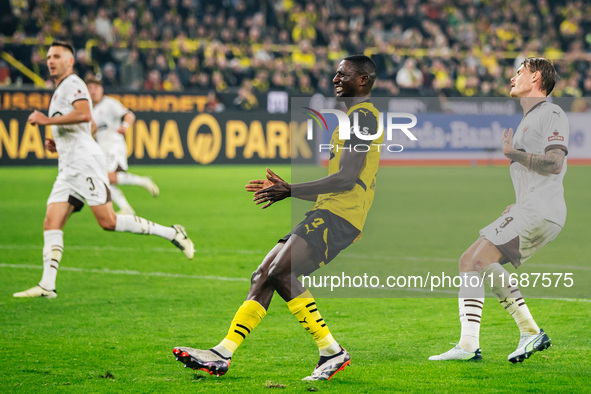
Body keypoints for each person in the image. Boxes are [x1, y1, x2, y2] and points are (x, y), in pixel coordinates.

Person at [173, 55, 382, 380]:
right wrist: (285, 188)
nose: (335, 79)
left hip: (340, 217)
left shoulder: (364, 118)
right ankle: (222, 353)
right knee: (263, 275)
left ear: (363, 80)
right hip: (328, 211)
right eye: (336, 74)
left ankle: (331, 350)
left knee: (280, 272)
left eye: (343, 74)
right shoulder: (353, 119)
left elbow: (346, 179)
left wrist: (290, 189)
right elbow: (335, 183)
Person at [13, 41, 195, 299]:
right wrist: (61, 141)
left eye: (57, 56)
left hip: (85, 162)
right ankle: (47, 285)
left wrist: (47, 120)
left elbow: (85, 114)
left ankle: (172, 233)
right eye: (49, 56)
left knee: (108, 222)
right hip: (68, 167)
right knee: (51, 222)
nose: (51, 60)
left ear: (70, 61)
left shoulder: (73, 83)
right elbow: (93, 127)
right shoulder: (59, 90)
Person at [430, 58, 568, 363]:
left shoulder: (551, 112)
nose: (512, 77)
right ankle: (524, 332)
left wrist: (512, 154)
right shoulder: (532, 117)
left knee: (474, 261)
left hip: (540, 210)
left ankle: (475, 345)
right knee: (471, 261)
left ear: (535, 78)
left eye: (519, 72)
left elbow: (555, 163)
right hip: (531, 207)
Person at [87, 76, 159, 215]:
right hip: (102, 148)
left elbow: (129, 115)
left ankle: (142, 181)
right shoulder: (90, 109)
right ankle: (126, 208)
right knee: (103, 180)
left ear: (101, 89)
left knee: (105, 177)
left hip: (114, 145)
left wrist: (125, 126)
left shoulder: (109, 103)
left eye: (96, 88)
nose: (93, 91)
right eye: (90, 88)